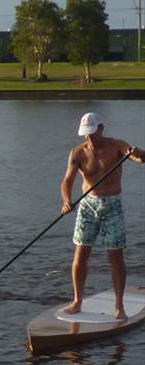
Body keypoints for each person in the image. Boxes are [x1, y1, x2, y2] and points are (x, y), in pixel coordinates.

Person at [60, 112, 143, 320]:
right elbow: (67, 182)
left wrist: (139, 153)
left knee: (115, 256)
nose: (88, 138)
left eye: (91, 133)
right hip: (87, 206)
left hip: (112, 205)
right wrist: (67, 201)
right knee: (81, 254)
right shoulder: (78, 153)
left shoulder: (117, 145)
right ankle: (78, 302)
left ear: (101, 128)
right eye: (85, 134)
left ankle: (119, 306)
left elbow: (137, 158)